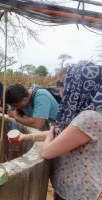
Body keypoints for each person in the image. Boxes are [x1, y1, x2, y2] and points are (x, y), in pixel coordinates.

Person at [19, 63, 102, 200]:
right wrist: (25, 136)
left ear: (80, 85)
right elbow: (59, 134)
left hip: (78, 193)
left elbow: (47, 151)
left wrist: (49, 136)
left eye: (64, 84)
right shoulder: (79, 111)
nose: (60, 90)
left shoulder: (90, 117)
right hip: (68, 188)